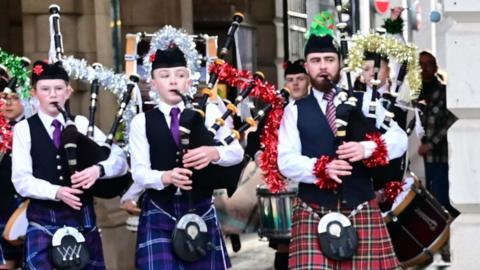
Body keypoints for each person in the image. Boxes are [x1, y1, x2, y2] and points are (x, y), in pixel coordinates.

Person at [277, 14, 407, 269]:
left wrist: (366, 148)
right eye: (316, 61)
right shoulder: (294, 110)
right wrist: (320, 168)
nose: (323, 67)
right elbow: (286, 160)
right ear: (306, 66)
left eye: (329, 60)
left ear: (340, 63)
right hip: (313, 209)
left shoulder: (364, 103)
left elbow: (399, 138)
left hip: (360, 207)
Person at [129, 43, 244, 269]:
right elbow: (139, 172)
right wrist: (166, 177)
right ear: (153, 83)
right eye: (164, 76)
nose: (173, 81)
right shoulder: (141, 122)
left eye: (180, 75)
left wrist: (214, 152)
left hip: (200, 209)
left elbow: (236, 152)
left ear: (189, 81)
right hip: (160, 211)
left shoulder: (209, 113)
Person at [11, 61, 129, 269]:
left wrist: (98, 170)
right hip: (43, 221)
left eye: (58, 89)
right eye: (45, 89)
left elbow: (119, 160)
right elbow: (21, 180)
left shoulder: (83, 124)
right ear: (34, 93)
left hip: (83, 220)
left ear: (68, 91)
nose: (53, 95)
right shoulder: (24, 129)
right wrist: (56, 191)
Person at [418, 51, 459, 262]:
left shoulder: (444, 93)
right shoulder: (412, 94)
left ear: (435, 67)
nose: (424, 68)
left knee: (442, 202)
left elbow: (451, 121)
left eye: (428, 64)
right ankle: (428, 249)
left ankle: (452, 244)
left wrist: (431, 144)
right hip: (415, 163)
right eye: (420, 64)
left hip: (439, 159)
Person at [0, 66, 24, 270]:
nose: (7, 103)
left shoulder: (33, 129)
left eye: (14, 97)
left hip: (29, 210)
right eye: (3, 97)